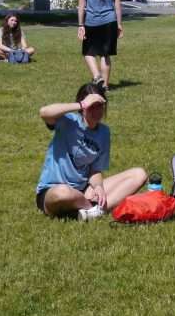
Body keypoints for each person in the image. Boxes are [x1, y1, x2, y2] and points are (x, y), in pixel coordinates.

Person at [36, 82, 147, 221]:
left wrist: (99, 187)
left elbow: (94, 169)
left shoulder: (104, 132)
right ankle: (95, 209)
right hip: (54, 191)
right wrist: (81, 104)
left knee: (139, 174)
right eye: (92, 107)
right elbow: (44, 112)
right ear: (83, 107)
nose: (97, 111)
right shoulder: (68, 122)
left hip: (84, 189)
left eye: (100, 106)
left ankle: (89, 211)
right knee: (63, 193)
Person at [76, 0, 122, 91]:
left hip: (92, 22)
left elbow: (81, 6)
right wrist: (119, 24)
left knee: (88, 53)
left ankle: (97, 77)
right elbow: (118, 5)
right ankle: (106, 85)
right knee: (105, 54)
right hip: (110, 21)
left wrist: (80, 25)